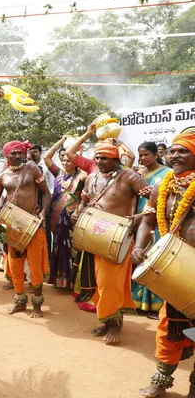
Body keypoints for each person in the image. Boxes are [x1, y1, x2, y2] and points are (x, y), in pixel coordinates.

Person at [132, 128, 195, 398]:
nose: (176, 154)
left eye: (184, 151)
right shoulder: (163, 185)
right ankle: (160, 381)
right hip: (173, 269)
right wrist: (138, 246)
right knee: (169, 327)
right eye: (173, 150)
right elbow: (147, 220)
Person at [71, 139, 150, 344]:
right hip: (93, 234)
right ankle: (107, 320)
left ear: (116, 159)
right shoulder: (91, 177)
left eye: (104, 157)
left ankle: (116, 324)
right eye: (97, 157)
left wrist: (140, 217)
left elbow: (154, 200)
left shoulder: (130, 177)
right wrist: (78, 213)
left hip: (118, 238)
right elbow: (85, 200)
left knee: (110, 283)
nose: (99, 161)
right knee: (98, 281)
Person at [0, 141, 51, 318]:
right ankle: (20, 301)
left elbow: (47, 193)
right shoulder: (2, 177)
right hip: (13, 226)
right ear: (6, 156)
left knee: (35, 266)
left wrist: (44, 213)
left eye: (19, 153)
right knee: (15, 266)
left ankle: (37, 303)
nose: (17, 156)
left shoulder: (32, 170)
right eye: (13, 153)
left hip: (33, 224)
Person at [131, 142, 171, 319]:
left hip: (157, 224)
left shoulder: (167, 174)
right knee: (140, 259)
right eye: (140, 155)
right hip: (139, 224)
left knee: (155, 263)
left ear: (156, 155)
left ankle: (157, 306)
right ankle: (139, 303)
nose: (143, 158)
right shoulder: (140, 174)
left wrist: (142, 217)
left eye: (146, 155)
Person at [43, 137, 86, 289]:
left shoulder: (81, 176)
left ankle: (72, 281)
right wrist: (60, 142)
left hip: (72, 219)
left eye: (69, 160)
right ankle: (59, 280)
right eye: (64, 161)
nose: (66, 163)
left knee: (72, 250)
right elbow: (46, 157)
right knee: (57, 248)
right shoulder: (58, 174)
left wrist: (79, 150)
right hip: (56, 218)